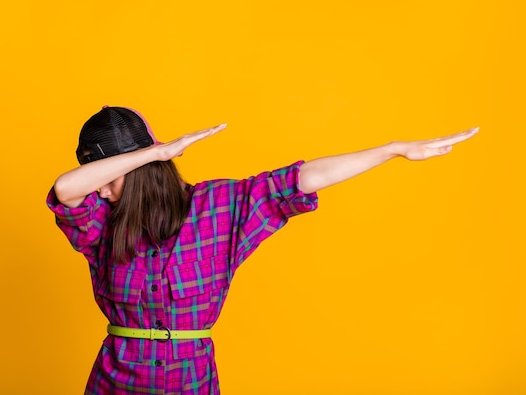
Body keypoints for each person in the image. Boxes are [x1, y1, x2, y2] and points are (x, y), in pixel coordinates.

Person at [46, 106, 478, 395]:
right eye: (98, 174)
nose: (100, 190)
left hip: (191, 381)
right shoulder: (101, 226)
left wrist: (392, 150)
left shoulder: (217, 208)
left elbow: (302, 179)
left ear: (140, 173)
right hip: (115, 381)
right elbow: (66, 189)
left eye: (108, 176)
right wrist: (156, 152)